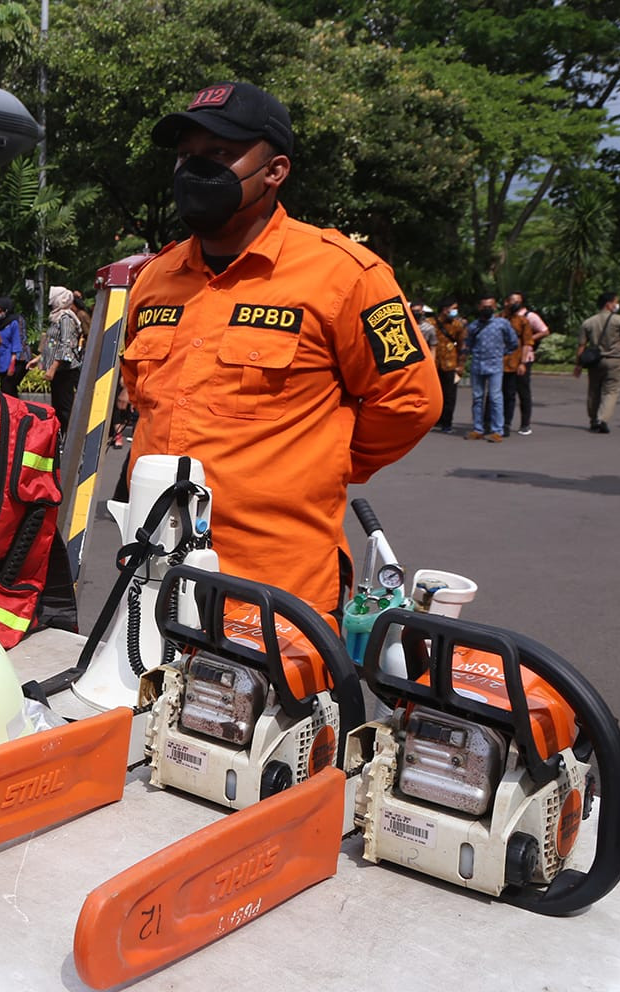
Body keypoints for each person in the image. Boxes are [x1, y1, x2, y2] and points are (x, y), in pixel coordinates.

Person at [120, 81, 440, 616]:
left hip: (276, 585)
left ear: (275, 170)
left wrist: (319, 463)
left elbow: (410, 401)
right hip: (154, 572)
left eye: (220, 154)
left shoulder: (345, 274)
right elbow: (146, 397)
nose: (196, 171)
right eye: (186, 156)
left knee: (279, 703)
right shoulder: (155, 278)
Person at [576, 291, 620, 434]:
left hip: (594, 362)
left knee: (593, 391)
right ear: (609, 304)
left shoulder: (588, 322)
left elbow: (581, 345)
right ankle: (603, 419)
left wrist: (578, 365)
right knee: (611, 391)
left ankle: (593, 420)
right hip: (614, 361)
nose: (617, 305)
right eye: (615, 302)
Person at [464, 295, 517, 442]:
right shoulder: (474, 326)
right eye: (484, 306)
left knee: (495, 397)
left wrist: (501, 354)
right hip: (477, 365)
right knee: (477, 398)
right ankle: (477, 429)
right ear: (479, 308)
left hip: (495, 365)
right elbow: (468, 343)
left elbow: (513, 342)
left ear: (494, 307)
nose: (486, 309)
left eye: (489, 306)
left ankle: (497, 430)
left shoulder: (502, 324)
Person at [502, 291, 549, 436]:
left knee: (523, 392)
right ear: (506, 302)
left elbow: (545, 331)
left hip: (524, 358)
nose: (516, 304)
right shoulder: (503, 317)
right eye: (513, 300)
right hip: (506, 360)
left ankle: (525, 423)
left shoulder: (529, 316)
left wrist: (528, 338)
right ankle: (504, 423)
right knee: (506, 392)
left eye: (519, 301)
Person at [42, 285, 84, 429]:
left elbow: (66, 344)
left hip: (65, 370)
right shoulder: (56, 317)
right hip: (59, 370)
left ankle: (68, 441)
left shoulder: (65, 318)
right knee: (58, 407)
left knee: (64, 407)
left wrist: (52, 368)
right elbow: (53, 342)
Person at [432, 297, 466, 432]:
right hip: (434, 365)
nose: (455, 311)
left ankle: (447, 422)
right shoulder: (431, 323)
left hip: (450, 364)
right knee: (435, 394)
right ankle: (436, 419)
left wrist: (461, 365)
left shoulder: (457, 325)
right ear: (445, 309)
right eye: (453, 308)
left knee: (450, 395)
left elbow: (462, 346)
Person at [0, 296, 26, 396]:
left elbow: (16, 345)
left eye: (0, 311)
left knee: (7, 389)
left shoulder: (13, 323)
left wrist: (12, 365)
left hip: (7, 361)